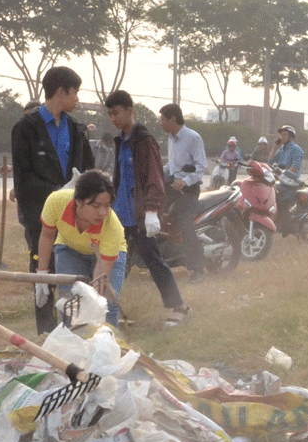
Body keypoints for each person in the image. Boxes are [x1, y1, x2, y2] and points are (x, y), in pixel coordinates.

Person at [11, 66, 94, 335]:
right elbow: (23, 179)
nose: (78, 99)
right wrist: (59, 191)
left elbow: (89, 169)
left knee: (72, 271)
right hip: (40, 215)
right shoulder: (26, 128)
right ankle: (46, 332)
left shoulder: (77, 129)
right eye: (75, 92)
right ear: (61, 92)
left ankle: (73, 331)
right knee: (42, 271)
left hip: (74, 216)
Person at [105, 90, 188, 326]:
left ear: (130, 111)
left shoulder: (144, 140)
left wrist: (151, 211)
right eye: (110, 114)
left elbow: (155, 177)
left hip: (139, 215)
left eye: (117, 113)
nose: (113, 118)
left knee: (153, 259)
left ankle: (179, 307)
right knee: (116, 261)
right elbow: (119, 179)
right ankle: (109, 311)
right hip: (120, 214)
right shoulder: (120, 140)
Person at [35, 170, 126, 325]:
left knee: (105, 305)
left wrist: (93, 304)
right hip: (70, 249)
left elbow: (100, 277)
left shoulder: (112, 227)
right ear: (78, 201)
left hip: (105, 256)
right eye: (96, 206)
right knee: (70, 304)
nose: (103, 212)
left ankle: (107, 344)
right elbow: (47, 236)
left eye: (107, 206)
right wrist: (41, 276)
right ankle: (70, 345)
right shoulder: (56, 202)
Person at [158, 103, 208, 284]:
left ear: (173, 119)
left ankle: (197, 269)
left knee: (184, 224)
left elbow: (201, 166)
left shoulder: (193, 137)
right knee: (154, 213)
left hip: (189, 189)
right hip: (173, 185)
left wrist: (185, 181)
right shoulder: (171, 138)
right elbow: (172, 166)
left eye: (163, 119)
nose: (161, 123)